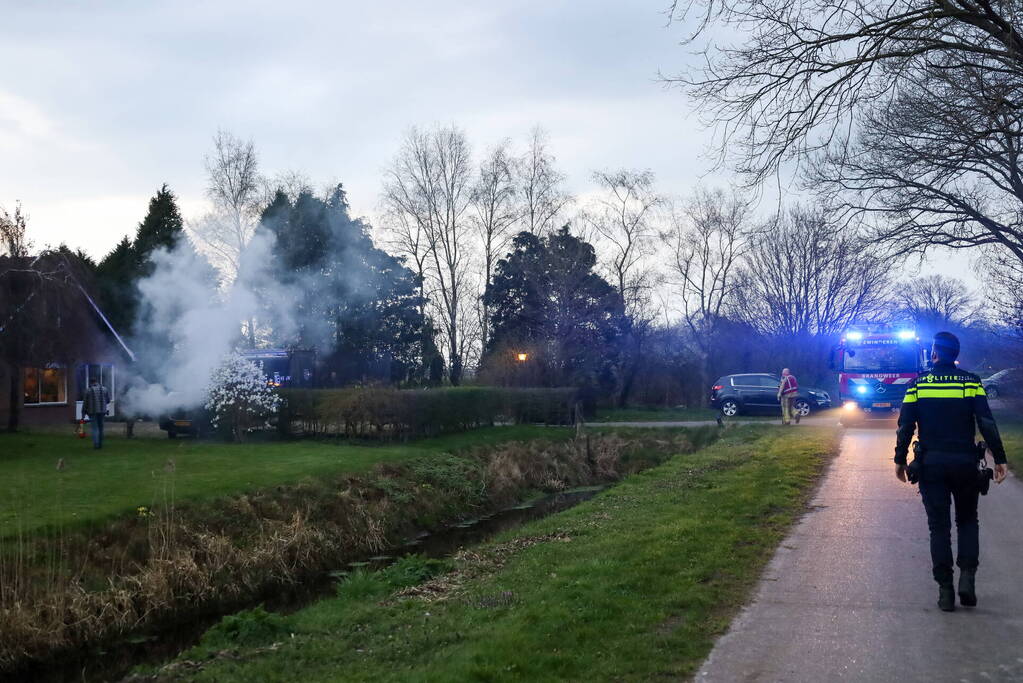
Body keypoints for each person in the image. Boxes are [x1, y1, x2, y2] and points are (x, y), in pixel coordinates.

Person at [894, 331, 1008, 612]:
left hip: (931, 465)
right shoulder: (971, 382)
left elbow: (905, 425)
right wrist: (1000, 458)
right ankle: (967, 580)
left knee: (939, 528)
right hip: (965, 464)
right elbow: (986, 421)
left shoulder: (917, 384)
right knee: (968, 522)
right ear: (955, 355)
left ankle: (945, 591)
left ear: (934, 354)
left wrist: (899, 459)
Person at [83, 376, 110, 450]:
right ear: (97, 381)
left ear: (91, 382)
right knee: (101, 428)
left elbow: (85, 403)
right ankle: (100, 444)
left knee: (95, 428)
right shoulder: (104, 389)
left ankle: (96, 445)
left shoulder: (88, 390)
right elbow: (108, 400)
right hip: (102, 412)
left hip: (92, 412)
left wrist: (83, 413)